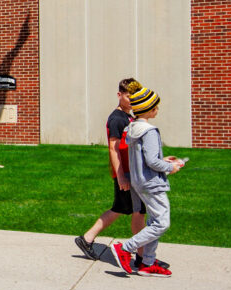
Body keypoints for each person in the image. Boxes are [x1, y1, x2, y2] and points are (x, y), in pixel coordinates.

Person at [112, 86, 185, 277]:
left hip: (138, 181)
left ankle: (147, 263)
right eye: (156, 107)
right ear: (150, 109)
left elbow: (145, 158)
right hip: (152, 183)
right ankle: (125, 248)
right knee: (162, 223)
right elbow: (152, 161)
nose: (158, 110)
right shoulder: (150, 131)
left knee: (154, 221)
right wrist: (171, 167)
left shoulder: (132, 128)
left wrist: (164, 160)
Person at [74, 78, 147, 260]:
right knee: (132, 210)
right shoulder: (117, 119)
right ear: (119, 95)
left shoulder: (130, 117)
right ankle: (142, 256)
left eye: (134, 97)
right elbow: (113, 148)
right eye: (129, 96)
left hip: (133, 172)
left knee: (129, 210)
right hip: (125, 173)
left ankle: (88, 239)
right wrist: (121, 176)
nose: (131, 100)